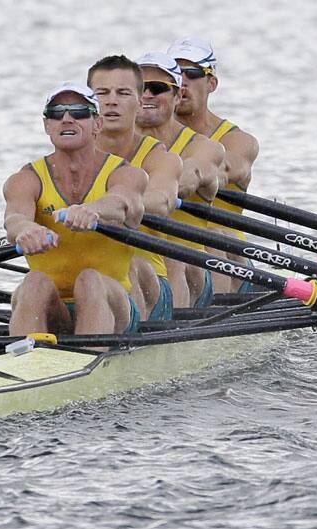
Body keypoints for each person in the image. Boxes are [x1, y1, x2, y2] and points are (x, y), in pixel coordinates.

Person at [3, 82, 148, 336]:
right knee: (33, 283)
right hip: (51, 305)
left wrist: (93, 210)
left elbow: (122, 202)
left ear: (97, 124)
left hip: (113, 303)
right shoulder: (25, 179)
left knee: (90, 280)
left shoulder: (126, 173)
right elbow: (14, 218)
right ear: (47, 126)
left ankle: (91, 361)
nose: (67, 119)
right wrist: (26, 230)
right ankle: (25, 363)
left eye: (79, 112)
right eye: (57, 113)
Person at [87, 54, 183, 321]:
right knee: (36, 283)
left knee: (131, 265)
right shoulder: (67, 160)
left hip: (146, 281)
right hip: (82, 280)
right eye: (102, 93)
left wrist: (115, 207)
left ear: (140, 102)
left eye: (123, 93)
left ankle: (125, 349)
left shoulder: (160, 158)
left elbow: (162, 201)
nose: (111, 101)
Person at [167, 37, 260, 293]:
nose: (181, 82)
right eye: (173, 74)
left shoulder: (237, 141)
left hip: (228, 260)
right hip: (163, 252)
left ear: (212, 83)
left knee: (215, 236)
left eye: (192, 73)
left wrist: (196, 175)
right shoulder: (145, 139)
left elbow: (225, 168)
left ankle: (212, 323)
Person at [134, 52, 225, 309]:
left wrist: (123, 201)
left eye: (158, 88)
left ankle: (169, 339)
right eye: (140, 88)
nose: (147, 95)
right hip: (127, 264)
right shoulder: (112, 145)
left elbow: (187, 178)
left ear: (176, 96)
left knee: (169, 252)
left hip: (189, 268)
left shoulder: (204, 148)